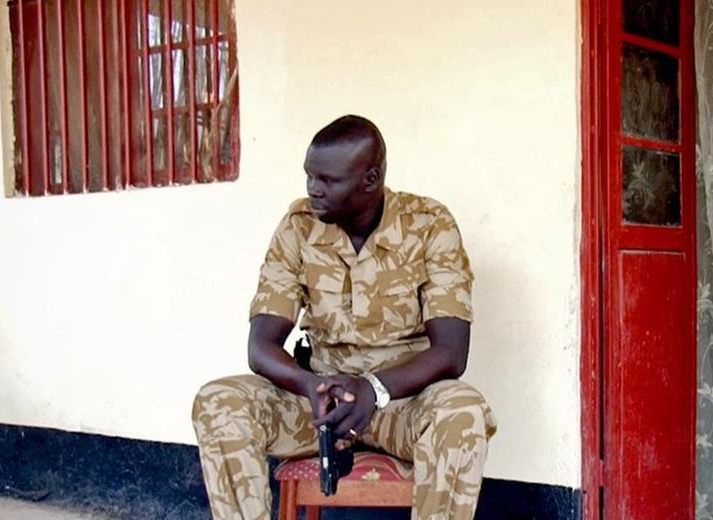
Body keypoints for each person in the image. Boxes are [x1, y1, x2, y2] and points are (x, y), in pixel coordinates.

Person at [192, 115, 496, 519]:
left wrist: (374, 389)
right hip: (320, 405)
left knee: (463, 413)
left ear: (370, 179)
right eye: (309, 176)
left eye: (328, 180)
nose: (313, 189)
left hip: (402, 403)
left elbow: (451, 353)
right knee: (219, 402)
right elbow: (261, 345)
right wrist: (310, 385)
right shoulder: (298, 228)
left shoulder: (428, 226)